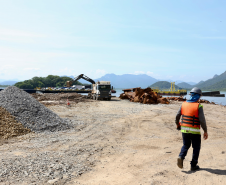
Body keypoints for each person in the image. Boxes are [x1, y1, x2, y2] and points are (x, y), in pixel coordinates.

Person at [175, 87, 208, 171]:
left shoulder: (183, 104)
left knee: (186, 145)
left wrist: (177, 124)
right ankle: (193, 165)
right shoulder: (198, 106)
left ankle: (181, 156)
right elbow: (202, 120)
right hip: (195, 131)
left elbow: (177, 116)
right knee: (196, 147)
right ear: (198, 96)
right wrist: (205, 131)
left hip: (184, 129)